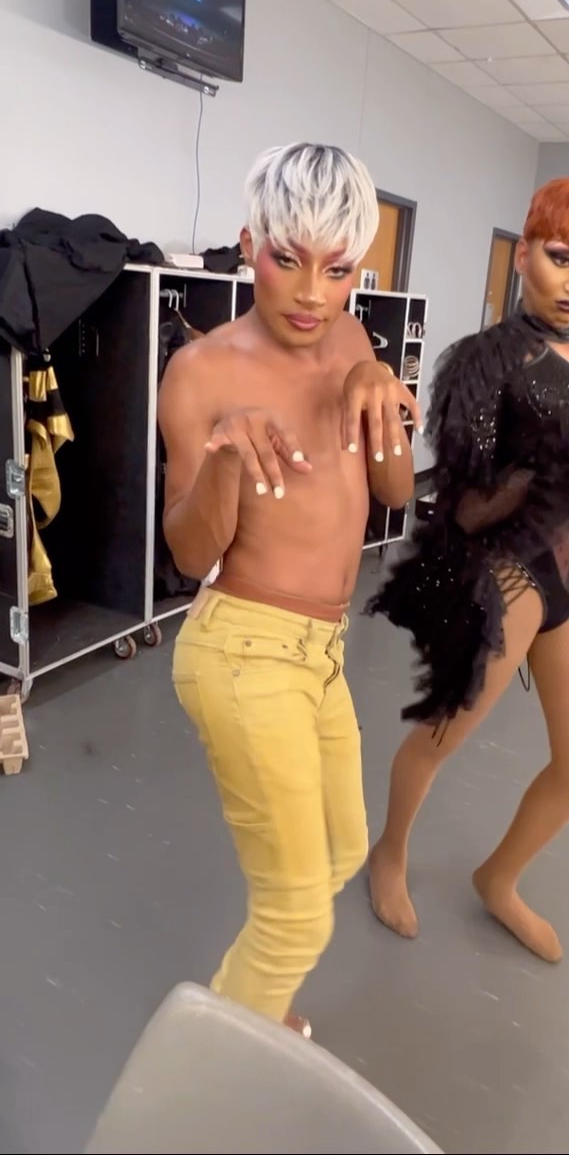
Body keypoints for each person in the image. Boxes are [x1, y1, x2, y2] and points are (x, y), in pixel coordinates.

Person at [366, 177, 569, 964]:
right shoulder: (485, 362)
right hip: (512, 575)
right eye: (562, 258)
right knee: (440, 736)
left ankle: (499, 878)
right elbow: (466, 506)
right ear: (524, 252)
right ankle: (389, 852)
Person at [159, 143, 420, 1036]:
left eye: (337, 270)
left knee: (342, 851)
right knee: (298, 913)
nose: (311, 294)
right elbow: (190, 554)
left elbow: (394, 491)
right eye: (287, 260)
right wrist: (226, 459)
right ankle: (208, 1082)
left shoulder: (350, 339)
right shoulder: (200, 371)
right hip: (241, 649)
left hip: (323, 652)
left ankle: (257, 1011)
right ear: (249, 246)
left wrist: (378, 390)